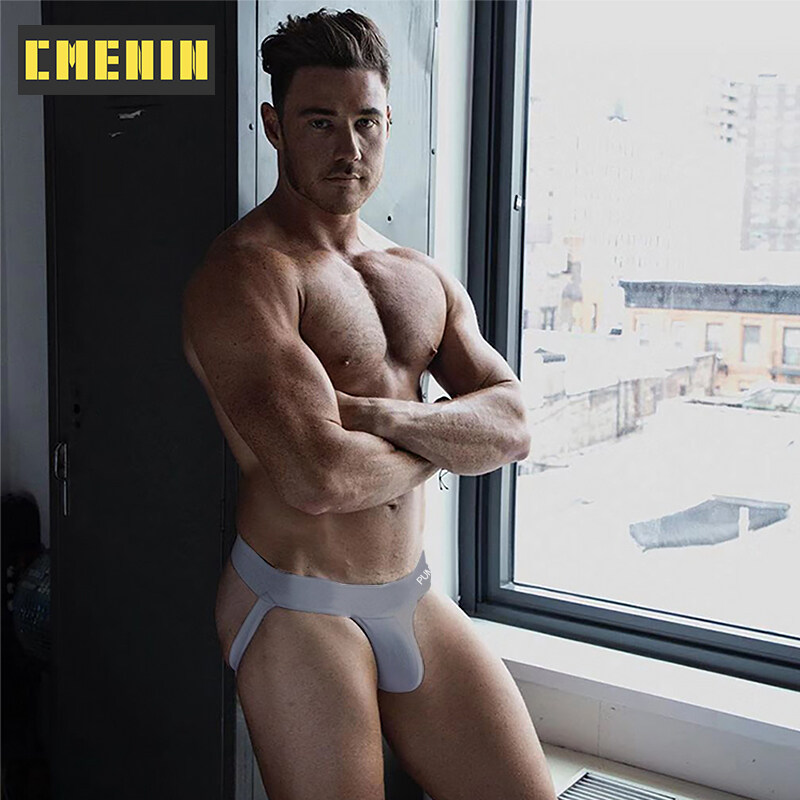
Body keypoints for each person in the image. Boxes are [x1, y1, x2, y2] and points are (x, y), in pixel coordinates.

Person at [181, 7, 556, 800]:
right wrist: (455, 442)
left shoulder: (419, 275)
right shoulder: (246, 275)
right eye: (320, 122)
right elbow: (318, 479)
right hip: (295, 604)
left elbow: (515, 425)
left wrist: (384, 418)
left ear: (388, 126)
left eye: (366, 122)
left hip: (410, 593)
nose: (348, 148)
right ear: (275, 127)